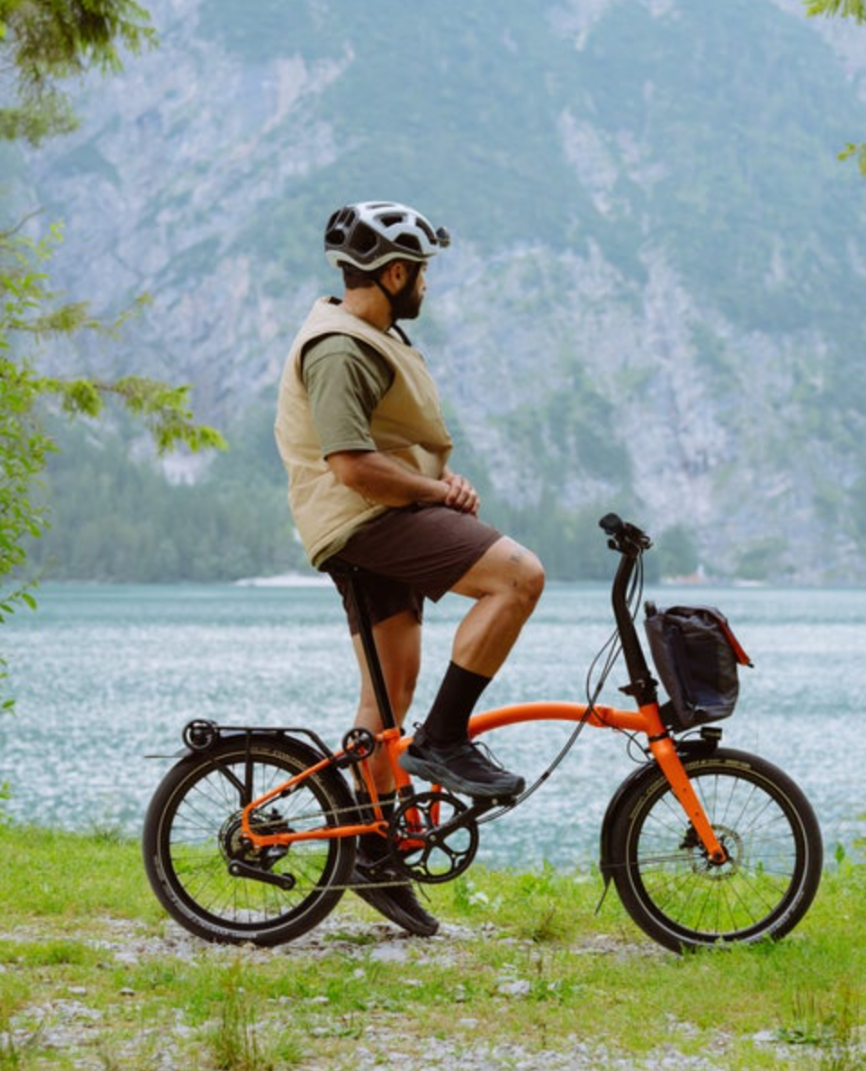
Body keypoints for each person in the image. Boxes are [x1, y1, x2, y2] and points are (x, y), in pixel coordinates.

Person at [274, 200, 545, 937]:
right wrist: (438, 492)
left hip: (366, 524)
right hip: (367, 520)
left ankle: (372, 851)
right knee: (517, 577)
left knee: (386, 698)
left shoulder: (370, 334)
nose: (426, 284)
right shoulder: (339, 348)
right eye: (421, 272)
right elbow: (351, 465)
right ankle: (446, 737)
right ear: (394, 273)